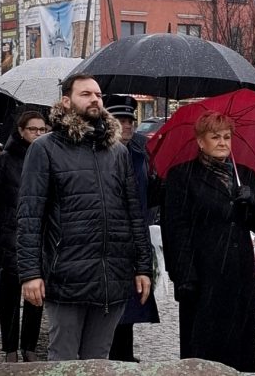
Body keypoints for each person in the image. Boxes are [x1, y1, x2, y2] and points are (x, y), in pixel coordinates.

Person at [17, 75, 153, 361]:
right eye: (86, 94)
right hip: (67, 274)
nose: (94, 99)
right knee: (64, 361)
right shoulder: (44, 149)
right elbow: (30, 215)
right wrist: (30, 273)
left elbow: (134, 214)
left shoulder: (117, 152)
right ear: (66, 101)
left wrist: (143, 267)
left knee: (99, 361)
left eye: (98, 95)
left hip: (112, 275)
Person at [162, 110, 255, 372]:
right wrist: (184, 275)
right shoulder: (182, 176)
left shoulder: (244, 174)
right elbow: (175, 228)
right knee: (203, 346)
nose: (223, 142)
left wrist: (253, 201)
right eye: (215, 137)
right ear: (201, 142)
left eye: (227, 137)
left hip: (238, 272)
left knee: (239, 346)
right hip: (202, 273)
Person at [0, 111, 47, 362]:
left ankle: (29, 346)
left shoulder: (46, 158)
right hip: (8, 236)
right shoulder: (5, 160)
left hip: (39, 237)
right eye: (33, 129)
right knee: (9, 297)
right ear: (21, 131)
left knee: (36, 295)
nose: (38, 134)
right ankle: (10, 347)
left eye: (42, 130)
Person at [103, 95, 160, 363]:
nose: (127, 126)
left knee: (132, 298)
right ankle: (109, 353)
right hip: (112, 236)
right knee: (112, 301)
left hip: (137, 236)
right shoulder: (103, 154)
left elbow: (147, 193)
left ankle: (125, 353)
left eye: (129, 121)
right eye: (120, 121)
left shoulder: (140, 153)